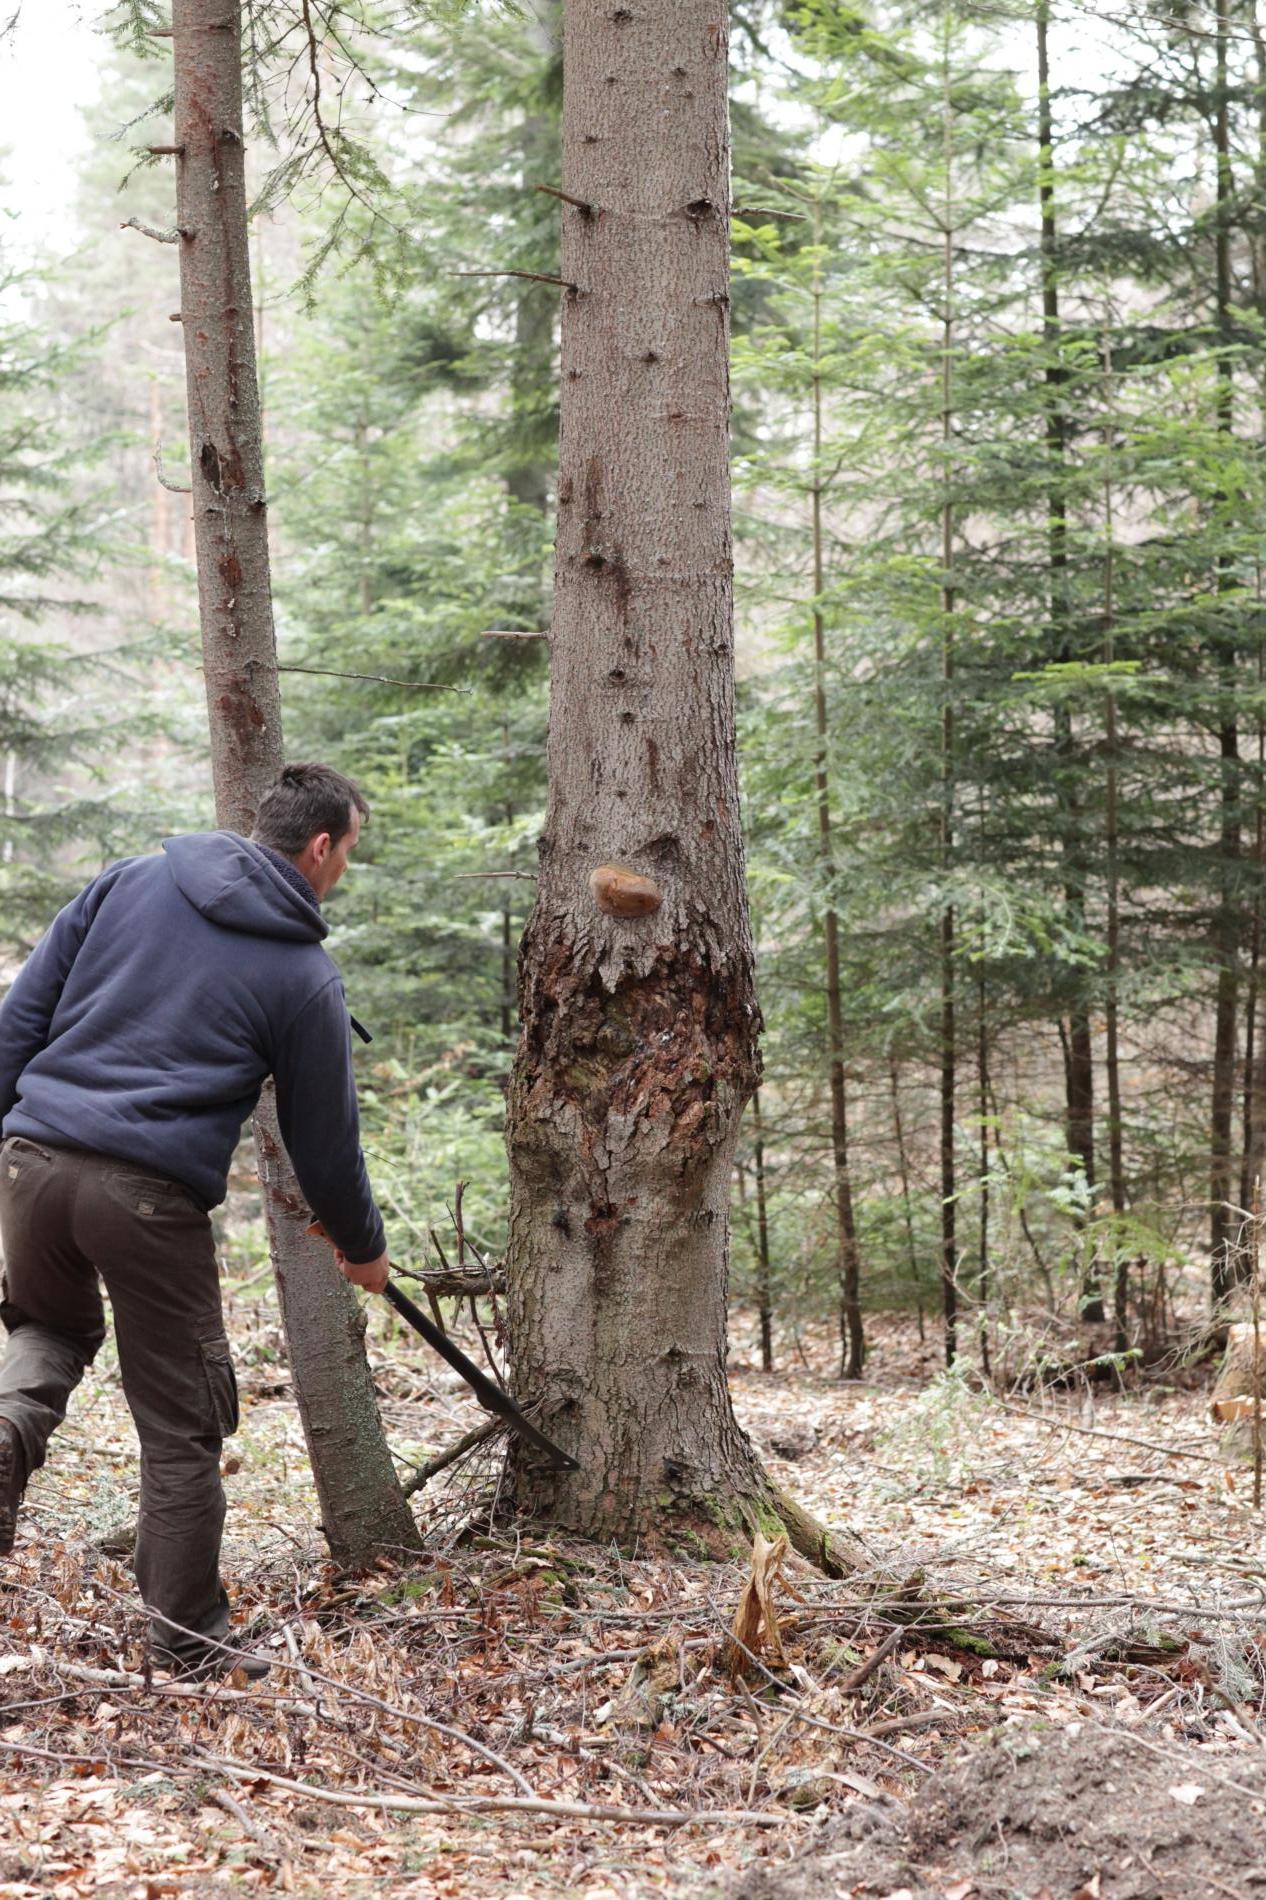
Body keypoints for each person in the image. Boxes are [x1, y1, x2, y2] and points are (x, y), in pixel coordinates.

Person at [0, 762, 390, 1679]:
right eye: (348, 851)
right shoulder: (303, 974)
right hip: (146, 1196)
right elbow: (325, 1146)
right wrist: (363, 1248)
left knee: (49, 1329)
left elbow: (18, 1022)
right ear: (320, 847)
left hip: (30, 1161)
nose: (344, 869)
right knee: (181, 1423)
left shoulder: (130, 881)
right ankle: (187, 1642)